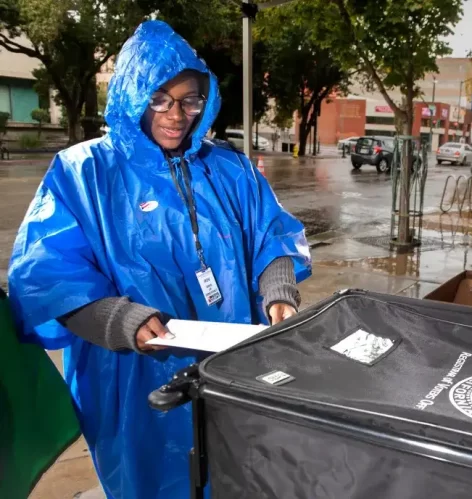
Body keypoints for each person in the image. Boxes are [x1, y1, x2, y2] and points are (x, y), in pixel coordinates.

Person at [8, 20, 311, 499]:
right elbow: (46, 275)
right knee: (149, 482)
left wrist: (278, 294)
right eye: (159, 99)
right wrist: (115, 319)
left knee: (235, 475)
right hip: (132, 379)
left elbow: (270, 233)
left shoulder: (228, 169)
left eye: (190, 100)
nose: (177, 114)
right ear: (132, 96)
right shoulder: (84, 172)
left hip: (230, 366)